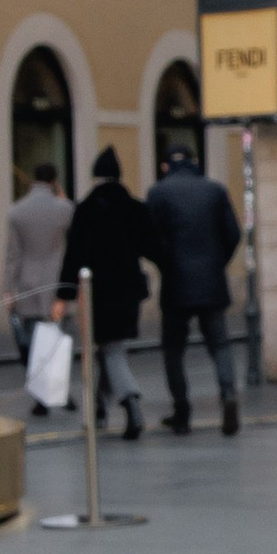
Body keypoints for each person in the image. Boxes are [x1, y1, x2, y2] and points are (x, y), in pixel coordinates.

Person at [146, 145, 245, 437]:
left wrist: (166, 263)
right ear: (195, 162)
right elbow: (234, 233)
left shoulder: (158, 193)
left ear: (165, 166)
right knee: (220, 344)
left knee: (174, 351)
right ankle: (228, 394)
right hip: (211, 281)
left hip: (176, 284)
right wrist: (217, 262)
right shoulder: (215, 190)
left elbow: (150, 239)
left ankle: (182, 411)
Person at [59, 146, 158, 437]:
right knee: (109, 350)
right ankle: (100, 408)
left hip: (97, 293)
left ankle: (131, 402)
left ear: (95, 178)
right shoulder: (135, 208)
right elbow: (152, 247)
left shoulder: (85, 210)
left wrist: (63, 294)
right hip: (128, 293)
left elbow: (73, 255)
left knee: (110, 350)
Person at [5, 164, 75, 362]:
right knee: (56, 340)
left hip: (27, 280)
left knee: (34, 339)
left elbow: (13, 254)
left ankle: (38, 383)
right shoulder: (64, 208)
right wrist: (62, 196)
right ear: (54, 181)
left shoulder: (17, 211)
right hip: (56, 281)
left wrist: (7, 289)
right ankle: (54, 385)